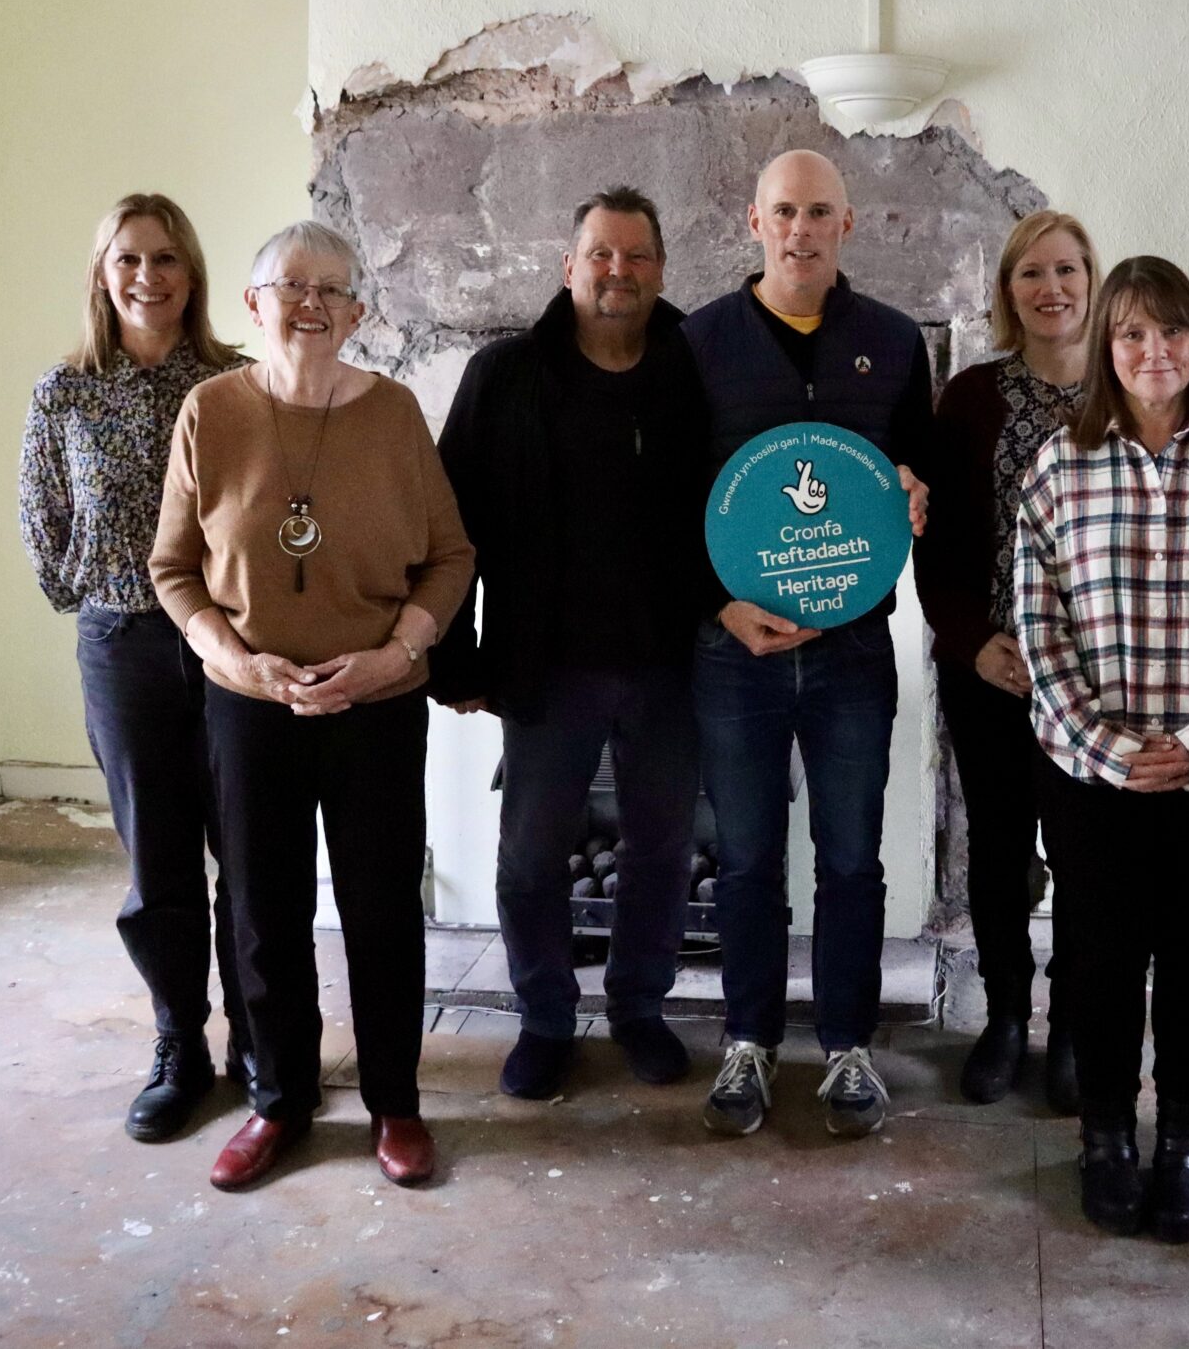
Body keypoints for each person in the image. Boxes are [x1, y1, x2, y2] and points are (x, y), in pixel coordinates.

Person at [149, 221, 476, 1192]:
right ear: (252, 306)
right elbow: (174, 570)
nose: (310, 303)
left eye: (332, 289)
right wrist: (232, 660)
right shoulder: (210, 412)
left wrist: (398, 653)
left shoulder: (394, 415)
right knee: (263, 909)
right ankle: (278, 1100)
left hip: (375, 702)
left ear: (359, 313)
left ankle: (396, 1104)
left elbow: (451, 555)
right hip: (251, 706)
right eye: (289, 285)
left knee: (381, 909)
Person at [1015, 256, 1189, 1245]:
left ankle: (1184, 1138)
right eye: (1131, 333)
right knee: (1097, 955)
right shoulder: (1059, 464)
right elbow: (1036, 620)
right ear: (1106, 346)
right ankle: (1105, 1136)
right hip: (1090, 770)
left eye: (1170, 331)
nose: (1152, 351)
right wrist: (1103, 744)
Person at [432, 187, 712, 1100]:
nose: (617, 272)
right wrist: (456, 653)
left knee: (664, 851)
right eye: (601, 253)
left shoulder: (694, 369)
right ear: (569, 265)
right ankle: (546, 1017)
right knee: (527, 857)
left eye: (635, 256)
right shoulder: (503, 374)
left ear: (661, 270)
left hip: (673, 660)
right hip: (547, 664)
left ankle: (637, 1006)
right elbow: (450, 523)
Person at [681, 148, 932, 1140]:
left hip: (851, 649)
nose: (800, 230)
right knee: (744, 860)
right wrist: (715, 604)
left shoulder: (895, 341)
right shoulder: (698, 343)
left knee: (850, 861)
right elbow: (668, 501)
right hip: (730, 648)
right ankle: (746, 1043)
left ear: (847, 226)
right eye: (783, 212)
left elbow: (916, 475)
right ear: (753, 222)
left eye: (819, 212)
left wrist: (917, 494)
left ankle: (847, 1049)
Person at [20, 192, 254, 1142]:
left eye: (165, 259)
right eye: (129, 260)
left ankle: (260, 1038)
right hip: (125, 644)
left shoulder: (239, 382)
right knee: (159, 863)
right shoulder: (65, 391)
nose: (147, 277)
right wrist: (111, 591)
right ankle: (178, 1045)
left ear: (191, 273)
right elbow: (44, 532)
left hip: (239, 644)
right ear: (102, 273)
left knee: (248, 850)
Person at [915, 209, 1099, 1109]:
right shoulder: (972, 397)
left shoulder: (1130, 390)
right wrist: (970, 641)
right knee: (997, 851)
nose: (1051, 288)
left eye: (1067, 270)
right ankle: (1007, 1019)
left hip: (1103, 684)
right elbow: (937, 546)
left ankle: (1074, 1031)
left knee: (1088, 857)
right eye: (1031, 273)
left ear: (1092, 284)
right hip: (991, 668)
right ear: (1007, 291)